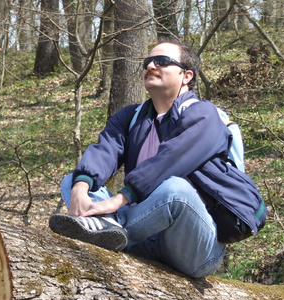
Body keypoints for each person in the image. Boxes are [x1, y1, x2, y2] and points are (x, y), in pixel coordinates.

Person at [49, 38, 266, 278]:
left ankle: (107, 224)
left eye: (162, 61)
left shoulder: (206, 116)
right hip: (142, 235)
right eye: (148, 62)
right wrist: (81, 186)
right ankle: (107, 228)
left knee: (177, 190)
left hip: (194, 247)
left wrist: (121, 199)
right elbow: (105, 150)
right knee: (72, 180)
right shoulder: (131, 117)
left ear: (187, 76)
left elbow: (170, 160)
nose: (151, 66)